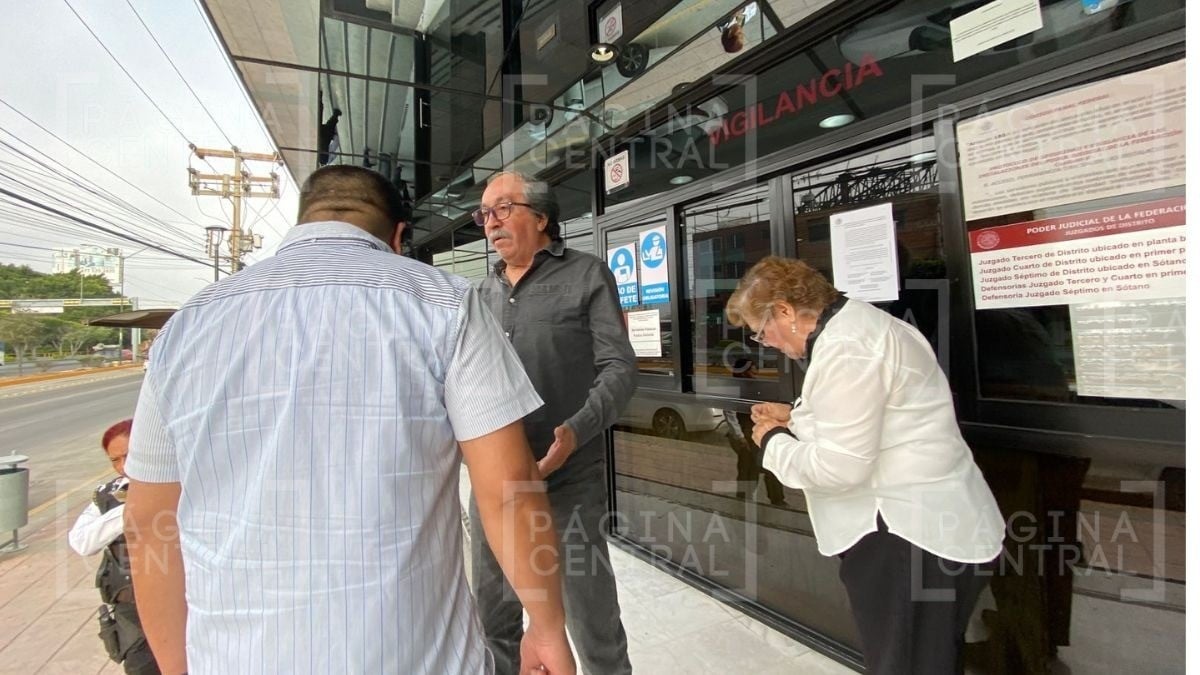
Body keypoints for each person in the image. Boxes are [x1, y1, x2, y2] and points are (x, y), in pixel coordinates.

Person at [123, 165, 575, 675]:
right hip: (415, 658)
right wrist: (545, 627)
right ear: (399, 236)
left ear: (301, 224)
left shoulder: (187, 326)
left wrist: (177, 666)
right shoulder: (445, 304)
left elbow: (148, 525)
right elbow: (508, 490)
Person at [725, 256, 1005, 675]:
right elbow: (875, 414)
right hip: (928, 529)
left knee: (903, 664)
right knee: (927, 660)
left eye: (762, 333)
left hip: (907, 537)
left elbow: (838, 467)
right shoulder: (864, 326)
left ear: (785, 310)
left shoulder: (848, 347)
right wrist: (796, 416)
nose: (768, 343)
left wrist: (772, 441)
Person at [472, 171, 637, 675]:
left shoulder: (587, 275)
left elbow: (620, 367)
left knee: (590, 615)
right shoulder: (479, 294)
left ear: (541, 218)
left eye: (504, 208)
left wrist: (577, 429)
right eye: (485, 214)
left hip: (567, 475)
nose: (491, 222)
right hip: (495, 478)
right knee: (492, 610)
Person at [68, 419, 160, 675]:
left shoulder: (178, 485)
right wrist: (130, 509)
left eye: (129, 456)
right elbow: (82, 541)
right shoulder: (106, 495)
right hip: (130, 611)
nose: (123, 467)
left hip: (178, 602)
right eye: (114, 460)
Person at [721, 359, 787, 506]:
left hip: (759, 431)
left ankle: (777, 499)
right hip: (746, 433)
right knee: (748, 468)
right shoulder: (735, 387)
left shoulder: (754, 384)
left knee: (768, 466)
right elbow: (730, 413)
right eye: (752, 369)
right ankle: (745, 498)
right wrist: (739, 436)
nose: (755, 371)